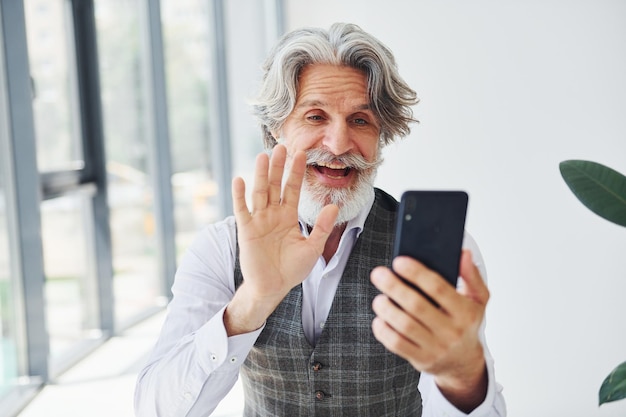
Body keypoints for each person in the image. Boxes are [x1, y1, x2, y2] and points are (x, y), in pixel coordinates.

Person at [135, 22, 506, 416]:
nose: (339, 143)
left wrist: (463, 375)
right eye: (315, 117)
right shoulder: (222, 247)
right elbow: (155, 408)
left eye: (360, 120)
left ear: (382, 135)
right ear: (277, 128)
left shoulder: (446, 250)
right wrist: (252, 303)